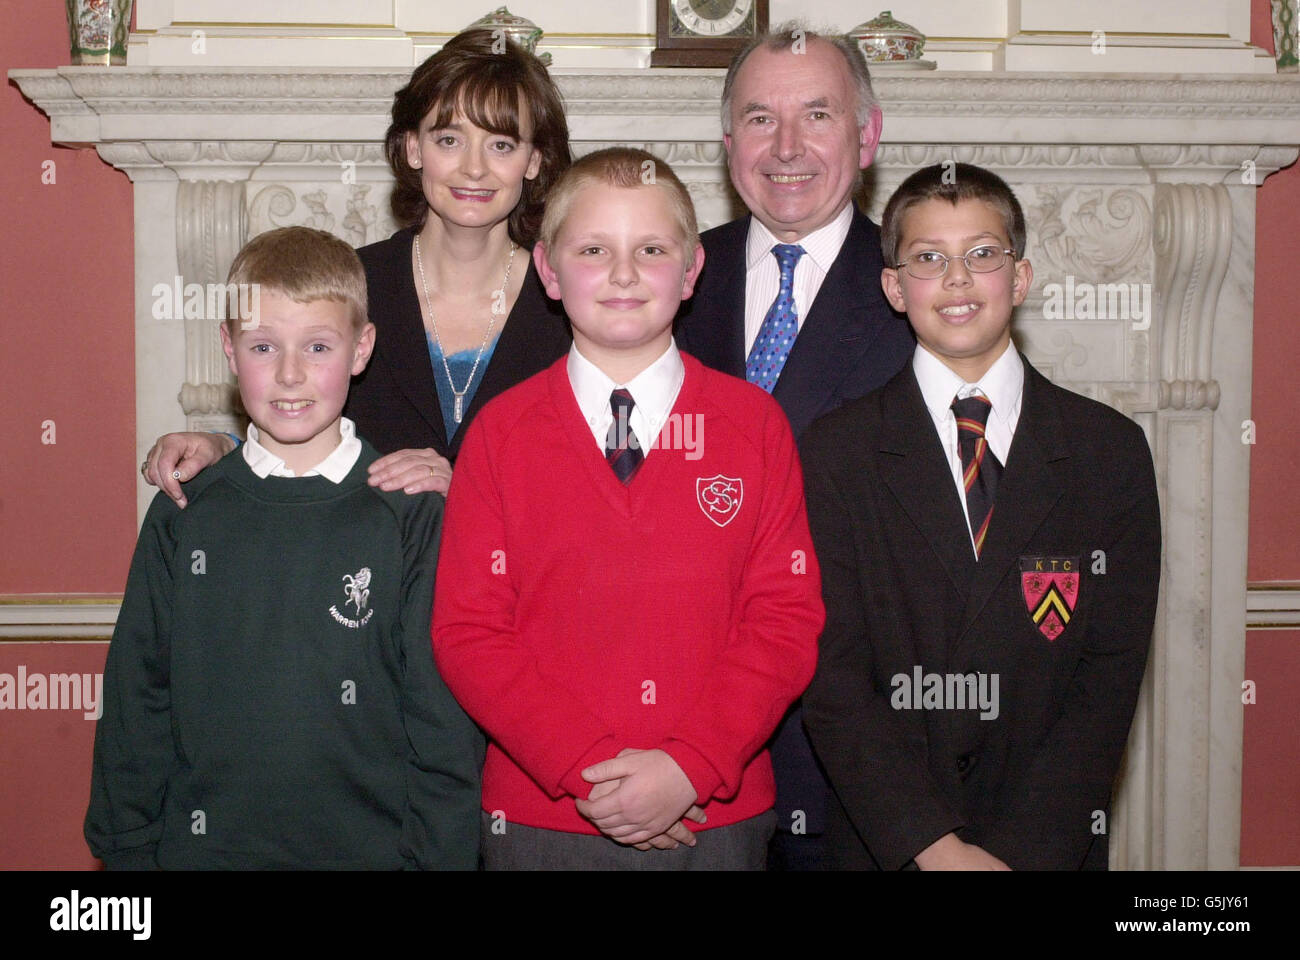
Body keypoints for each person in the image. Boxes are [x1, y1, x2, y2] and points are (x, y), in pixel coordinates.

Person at [431, 148, 825, 870]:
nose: (621, 274)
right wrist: (593, 772)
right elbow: (469, 631)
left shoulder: (753, 425)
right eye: (592, 250)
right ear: (549, 271)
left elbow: (785, 619)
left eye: (650, 249)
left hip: (717, 816)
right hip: (543, 819)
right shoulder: (499, 431)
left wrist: (688, 767)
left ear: (691, 269)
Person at [85, 226, 482, 869]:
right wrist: (127, 849)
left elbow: (440, 724)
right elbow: (138, 697)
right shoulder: (185, 511)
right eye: (263, 346)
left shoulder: (409, 517)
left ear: (361, 349)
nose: (291, 374)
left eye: (318, 346)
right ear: (228, 350)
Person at [800, 163, 1161, 870]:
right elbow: (831, 676)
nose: (958, 278)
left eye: (983, 254)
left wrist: (1015, 854)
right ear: (895, 288)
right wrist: (934, 849)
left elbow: (1108, 679)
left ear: (1019, 279)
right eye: (929, 258)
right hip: (890, 846)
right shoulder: (836, 451)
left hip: (1045, 847)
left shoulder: (1107, 451)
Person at [140, 30, 572, 502]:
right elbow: (297, 420)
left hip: (520, 574)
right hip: (363, 572)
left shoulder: (571, 304)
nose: (474, 168)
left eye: (501, 146)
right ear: (412, 150)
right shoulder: (348, 289)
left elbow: (591, 484)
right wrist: (222, 447)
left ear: (533, 160)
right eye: (449, 139)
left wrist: (466, 487)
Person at [675, 22, 915, 869]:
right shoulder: (664, 280)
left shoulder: (922, 289)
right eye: (759, 118)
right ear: (727, 139)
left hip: (857, 745)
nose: (786, 147)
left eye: (817, 115)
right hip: (681, 735)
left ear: (867, 134)